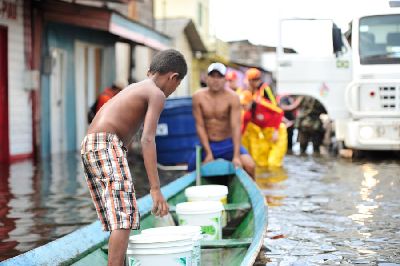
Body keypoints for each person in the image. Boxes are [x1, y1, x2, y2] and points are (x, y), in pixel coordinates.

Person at [80, 49, 187, 266]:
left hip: (92, 145)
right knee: (124, 216)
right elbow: (148, 140)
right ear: (173, 77)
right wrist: (155, 188)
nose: (174, 91)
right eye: (177, 85)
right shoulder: (156, 94)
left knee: (118, 215)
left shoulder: (137, 87)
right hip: (106, 144)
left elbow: (126, 131)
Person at [187, 62, 256, 178]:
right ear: (206, 78)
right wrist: (208, 153)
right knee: (190, 172)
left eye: (219, 77)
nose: (216, 80)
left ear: (225, 80)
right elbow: (200, 126)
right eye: (212, 76)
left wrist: (236, 156)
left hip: (228, 143)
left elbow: (236, 127)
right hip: (207, 144)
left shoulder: (233, 97)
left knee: (250, 166)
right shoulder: (198, 97)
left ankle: (253, 194)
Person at [241, 68, 287, 168]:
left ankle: (274, 182)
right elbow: (242, 129)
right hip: (264, 130)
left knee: (274, 163)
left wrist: (275, 130)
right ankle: (264, 183)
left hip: (275, 127)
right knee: (262, 162)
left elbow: (277, 109)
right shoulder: (247, 110)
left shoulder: (264, 92)